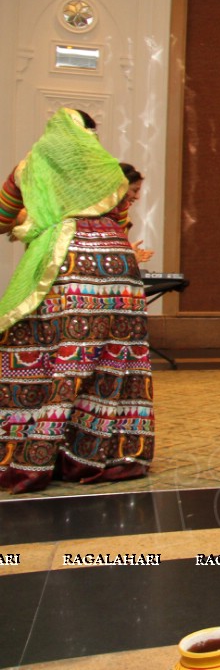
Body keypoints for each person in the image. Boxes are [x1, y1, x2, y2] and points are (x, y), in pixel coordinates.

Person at [0, 108, 153, 493]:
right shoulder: (107, 170)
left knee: (48, 353)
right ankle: (105, 454)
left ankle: (35, 456)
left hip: (66, 265)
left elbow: (1, 216)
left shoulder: (28, 167)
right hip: (118, 269)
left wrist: (28, 222)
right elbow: (120, 221)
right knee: (113, 359)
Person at [119, 163, 154, 265]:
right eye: (135, 190)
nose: (137, 197)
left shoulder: (123, 218)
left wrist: (127, 252)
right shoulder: (96, 220)